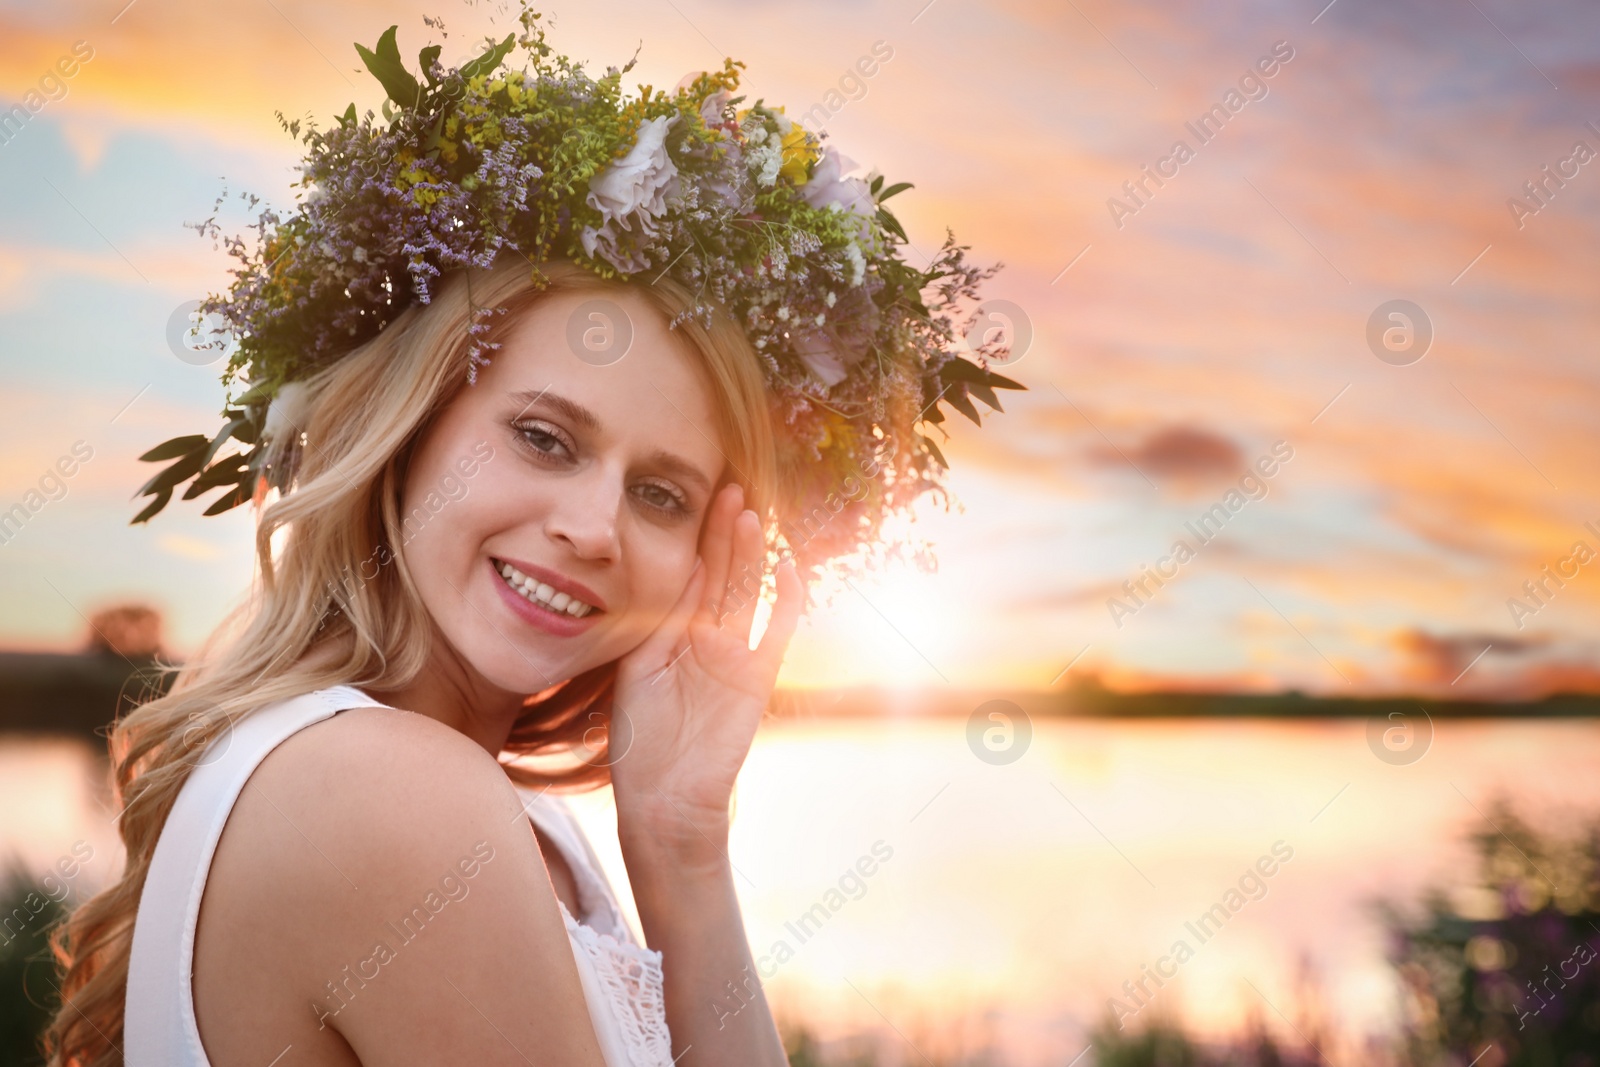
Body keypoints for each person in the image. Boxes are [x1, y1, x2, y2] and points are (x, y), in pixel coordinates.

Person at [43, 7, 1021, 1066]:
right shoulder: (390, 791)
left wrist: (683, 846)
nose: (592, 526)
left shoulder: (500, 811)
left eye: (660, 494)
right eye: (545, 437)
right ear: (410, 428)